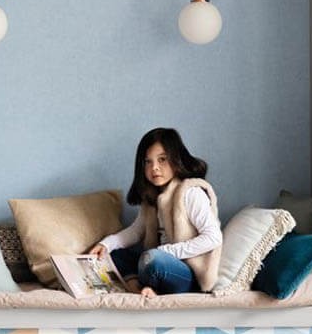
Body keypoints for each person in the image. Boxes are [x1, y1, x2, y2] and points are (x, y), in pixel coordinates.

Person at [89, 127, 222, 297]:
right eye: (148, 162)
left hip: (185, 272)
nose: (155, 168)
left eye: (162, 159)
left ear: (176, 159)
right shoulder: (152, 198)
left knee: (154, 260)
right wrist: (106, 244)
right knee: (115, 254)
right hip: (154, 260)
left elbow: (213, 237)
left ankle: (146, 285)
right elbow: (136, 232)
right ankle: (139, 288)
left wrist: (167, 251)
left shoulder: (190, 193)